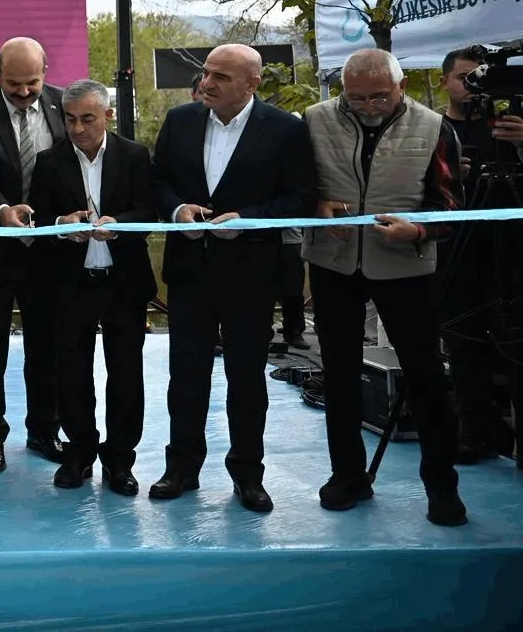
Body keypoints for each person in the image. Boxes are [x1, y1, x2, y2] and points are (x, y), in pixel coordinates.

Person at [302, 49, 468, 526]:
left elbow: (452, 205)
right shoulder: (313, 120)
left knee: (426, 376)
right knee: (338, 375)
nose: (368, 106)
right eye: (356, 98)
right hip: (332, 263)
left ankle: (442, 487)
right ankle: (347, 476)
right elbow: (293, 186)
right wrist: (317, 205)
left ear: (402, 88)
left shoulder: (434, 127)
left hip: (406, 267)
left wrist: (418, 230)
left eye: (379, 96)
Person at [149, 43, 315, 513]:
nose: (207, 83)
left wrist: (249, 219)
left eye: (221, 77)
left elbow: (300, 197)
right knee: (186, 376)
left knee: (247, 380)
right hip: (189, 272)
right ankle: (181, 468)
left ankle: (248, 475)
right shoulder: (180, 120)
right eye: (206, 73)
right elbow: (157, 181)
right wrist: (177, 211)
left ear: (252, 84)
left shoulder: (285, 129)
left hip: (250, 276)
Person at [26, 81, 156, 495]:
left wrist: (121, 226)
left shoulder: (135, 156)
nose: (78, 129)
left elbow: (149, 210)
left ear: (108, 115)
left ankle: (120, 460)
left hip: (124, 283)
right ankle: (79, 453)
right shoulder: (49, 161)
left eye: (87, 119)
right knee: (71, 374)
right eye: (70, 120)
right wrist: (62, 226)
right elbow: (39, 220)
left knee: (127, 374)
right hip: (70, 285)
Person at [0, 36, 68, 470]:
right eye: (13, 83)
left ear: (45, 72)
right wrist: (1, 210)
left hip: (48, 253)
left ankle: (45, 431)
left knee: (48, 347)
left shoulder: (64, 105)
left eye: (32, 81)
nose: (24, 91)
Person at [437, 44, 523, 463]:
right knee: (463, 344)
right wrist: (448, 176)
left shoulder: (513, 123)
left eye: (480, 77)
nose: (473, 87)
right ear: (444, 81)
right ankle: (473, 432)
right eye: (465, 78)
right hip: (459, 249)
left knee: (516, 343)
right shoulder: (434, 130)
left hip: (513, 250)